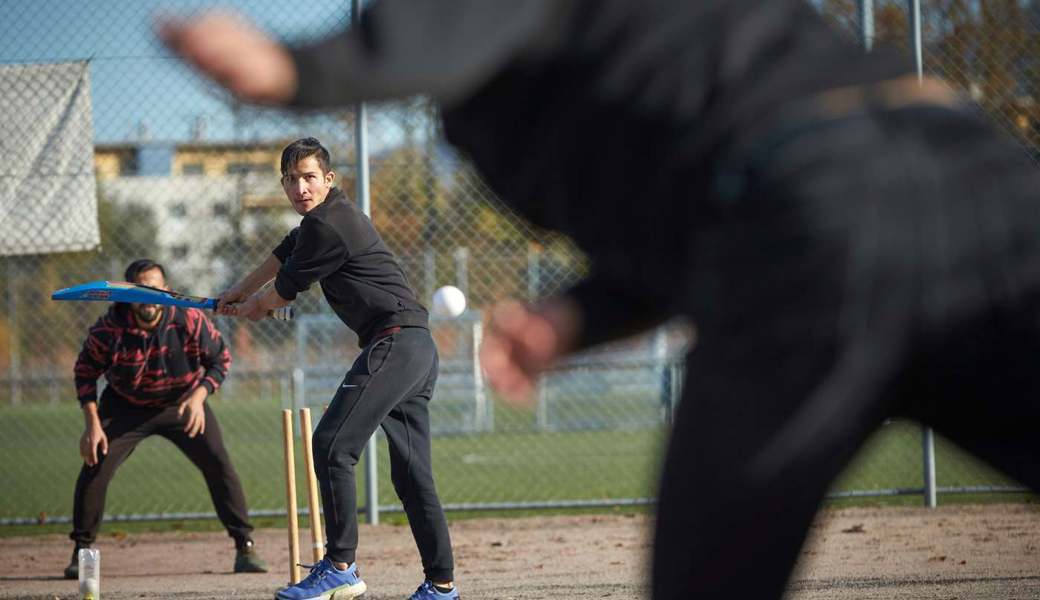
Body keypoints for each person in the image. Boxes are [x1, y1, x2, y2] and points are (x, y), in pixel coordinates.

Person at [160, 3, 1040, 598]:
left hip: (813, 224)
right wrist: (577, 314)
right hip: (986, 179)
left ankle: (361, 570)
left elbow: (787, 182)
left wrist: (299, 68)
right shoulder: (597, 84)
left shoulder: (480, 82)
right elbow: (712, 198)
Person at [215, 138, 457, 600]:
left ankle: (341, 565)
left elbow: (282, 292)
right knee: (410, 475)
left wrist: (253, 306)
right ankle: (442, 586)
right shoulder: (318, 222)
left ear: (328, 179)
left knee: (331, 444)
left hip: (396, 342)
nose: (300, 187)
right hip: (413, 348)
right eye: (291, 179)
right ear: (284, 185)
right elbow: (280, 257)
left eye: (309, 176)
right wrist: (237, 292)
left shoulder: (330, 224)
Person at [66, 259, 267, 579]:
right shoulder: (109, 328)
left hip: (183, 404)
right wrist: (92, 425)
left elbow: (220, 359)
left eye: (157, 287)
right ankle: (81, 552)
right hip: (125, 407)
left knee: (218, 462)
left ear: (168, 291)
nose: (151, 295)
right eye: (142, 289)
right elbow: (85, 372)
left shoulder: (188, 318)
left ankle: (245, 546)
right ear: (127, 294)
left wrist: (200, 395)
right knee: (96, 465)